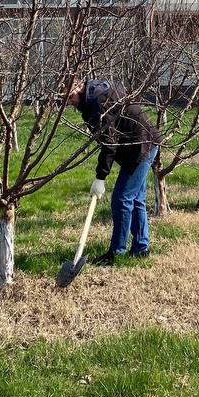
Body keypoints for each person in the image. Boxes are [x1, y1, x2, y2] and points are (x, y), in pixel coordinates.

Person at [68, 78, 161, 264]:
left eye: (70, 97)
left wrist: (100, 177)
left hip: (141, 146)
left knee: (122, 199)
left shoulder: (98, 103)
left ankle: (117, 253)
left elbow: (109, 143)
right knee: (135, 199)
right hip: (140, 144)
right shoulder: (94, 95)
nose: (69, 102)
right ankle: (141, 249)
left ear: (79, 86)